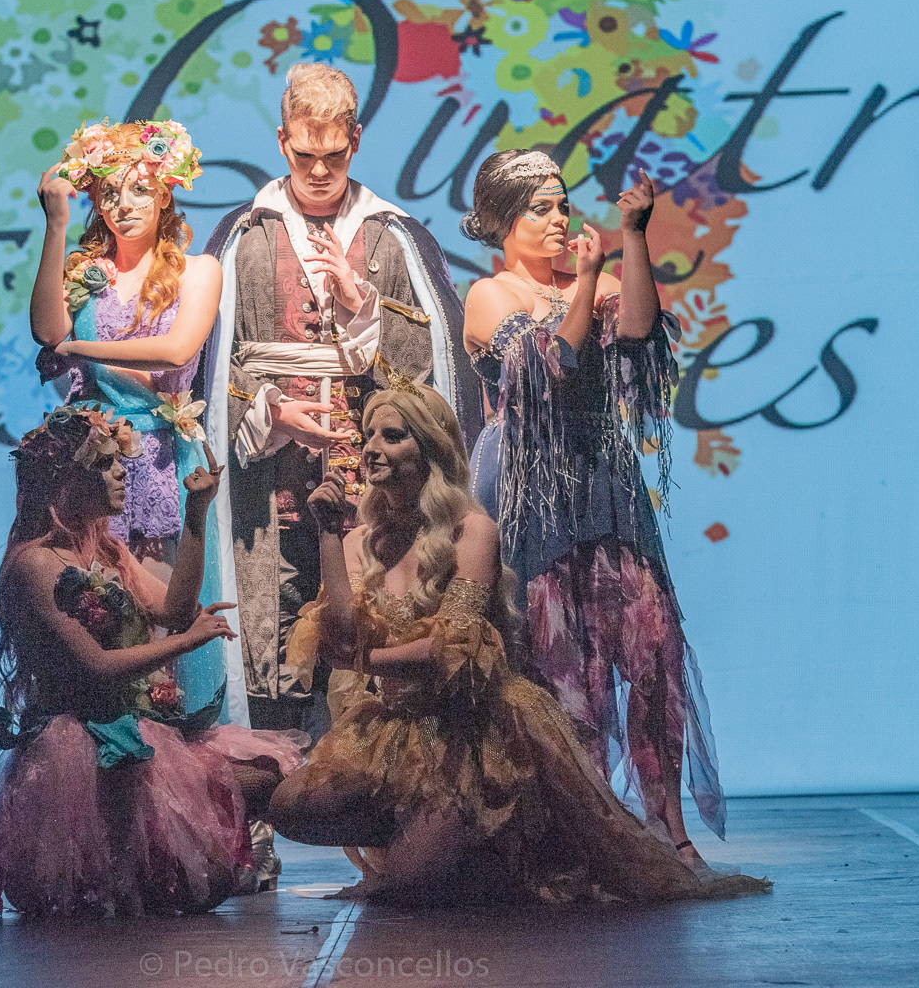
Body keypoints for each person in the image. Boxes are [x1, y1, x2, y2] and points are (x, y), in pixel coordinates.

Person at [265, 384, 767, 904]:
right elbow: (341, 634)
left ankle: (471, 846)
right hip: (395, 725)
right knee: (291, 808)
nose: (371, 448)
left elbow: (453, 651)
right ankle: (425, 835)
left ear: (431, 448)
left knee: (406, 884)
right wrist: (328, 534)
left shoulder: (472, 531)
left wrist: (364, 658)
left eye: (391, 436)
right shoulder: (358, 541)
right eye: (368, 435)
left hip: (468, 730)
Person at [197, 63, 484, 737]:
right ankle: (268, 789)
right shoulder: (246, 237)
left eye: (334, 155)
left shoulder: (393, 237)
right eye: (304, 156)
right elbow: (210, 368)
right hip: (268, 481)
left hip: (375, 490)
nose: (320, 171)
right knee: (272, 639)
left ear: (356, 140)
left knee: (371, 639)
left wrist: (364, 308)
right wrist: (269, 412)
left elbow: (433, 368)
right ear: (281, 141)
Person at [459, 149, 725, 869]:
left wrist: (634, 236)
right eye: (539, 208)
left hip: (606, 484)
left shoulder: (598, 282)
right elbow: (554, 364)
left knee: (653, 648)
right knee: (559, 663)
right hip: (533, 489)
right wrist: (582, 286)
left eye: (562, 206)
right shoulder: (490, 295)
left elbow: (638, 338)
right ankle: (585, 831)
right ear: (503, 220)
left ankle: (666, 826)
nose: (558, 219)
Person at [0, 406, 304, 917]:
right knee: (167, 887)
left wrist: (197, 512)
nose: (121, 473)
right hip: (78, 742)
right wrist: (186, 642)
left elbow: (175, 610)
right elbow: (94, 667)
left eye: (119, 461)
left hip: (135, 725)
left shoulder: (108, 551)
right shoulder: (34, 565)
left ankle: (140, 870)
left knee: (266, 776)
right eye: (104, 464)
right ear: (65, 482)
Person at [30, 119, 220, 577]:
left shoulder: (198, 271)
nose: (124, 205)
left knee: (157, 600)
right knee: (90, 596)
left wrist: (80, 349)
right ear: (97, 204)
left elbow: (176, 351)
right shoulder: (87, 274)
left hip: (159, 455)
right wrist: (56, 224)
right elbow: (47, 332)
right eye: (110, 194)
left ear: (165, 195)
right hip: (89, 458)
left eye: (140, 190)